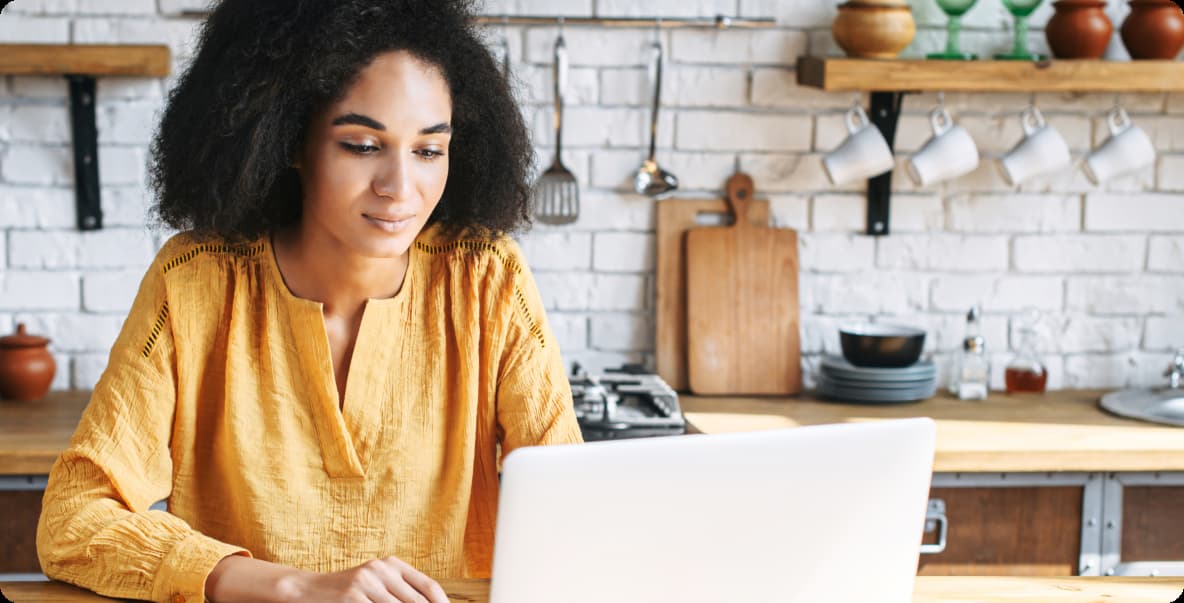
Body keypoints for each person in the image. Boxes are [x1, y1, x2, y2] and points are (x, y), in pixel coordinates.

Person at [35, 1, 583, 601]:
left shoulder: (485, 278)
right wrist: (290, 587)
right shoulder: (195, 283)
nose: (400, 188)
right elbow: (72, 521)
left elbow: (572, 513)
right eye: (362, 145)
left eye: (428, 151)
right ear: (289, 140)